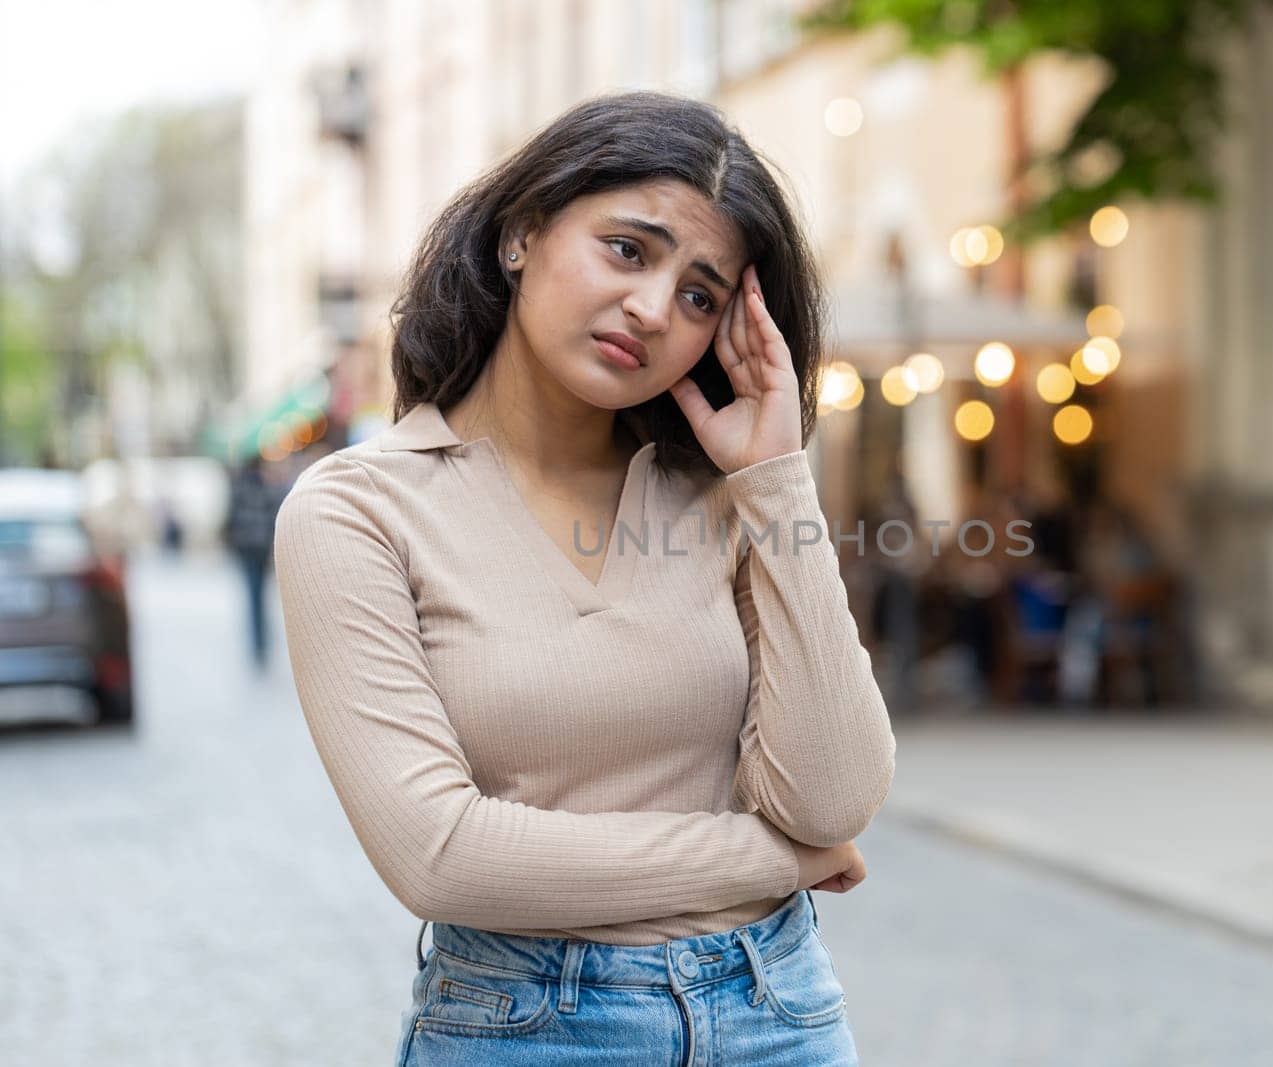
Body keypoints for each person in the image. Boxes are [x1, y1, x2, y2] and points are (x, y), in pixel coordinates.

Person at [273, 92, 893, 1066]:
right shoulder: (357, 511)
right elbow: (442, 855)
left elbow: (834, 798)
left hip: (779, 1014)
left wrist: (775, 477)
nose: (653, 309)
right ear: (523, 234)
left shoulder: (720, 496)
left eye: (700, 294)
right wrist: (774, 861)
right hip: (530, 1026)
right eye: (628, 249)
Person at [222, 454, 283, 671]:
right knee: (260, 596)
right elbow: (274, 517)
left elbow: (230, 518)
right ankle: (262, 641)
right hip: (261, 548)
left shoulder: (239, 487)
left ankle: (258, 643)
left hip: (246, 549)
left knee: (253, 596)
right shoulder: (266, 487)